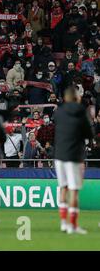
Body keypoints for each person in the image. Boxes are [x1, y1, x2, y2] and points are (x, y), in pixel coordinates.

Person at [54, 86, 93, 234]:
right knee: (74, 191)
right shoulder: (81, 112)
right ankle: (73, 226)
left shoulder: (58, 113)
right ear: (77, 97)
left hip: (59, 155)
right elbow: (89, 133)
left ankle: (64, 223)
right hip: (74, 156)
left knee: (63, 188)